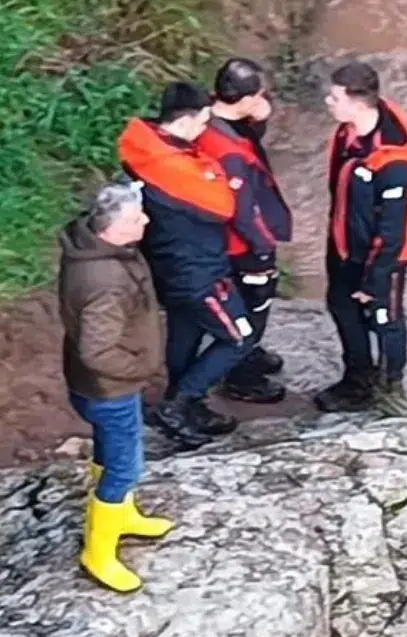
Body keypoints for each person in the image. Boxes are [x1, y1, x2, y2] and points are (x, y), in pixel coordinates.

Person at [118, 82, 254, 448]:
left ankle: (186, 403)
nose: (206, 128)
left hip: (170, 264)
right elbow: (224, 205)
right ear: (190, 119)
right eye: (204, 120)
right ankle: (179, 404)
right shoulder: (174, 170)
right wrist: (215, 172)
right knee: (240, 336)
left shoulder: (144, 149)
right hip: (197, 270)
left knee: (186, 333)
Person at [59, 180, 174, 593]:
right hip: (110, 389)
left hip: (98, 384)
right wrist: (140, 366)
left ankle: (121, 515)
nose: (145, 219)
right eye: (136, 216)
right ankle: (99, 551)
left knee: (111, 452)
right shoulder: (105, 282)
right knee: (125, 466)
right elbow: (97, 350)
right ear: (114, 227)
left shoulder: (95, 249)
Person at [314, 60, 407, 414]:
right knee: (342, 307)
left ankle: (391, 389)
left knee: (385, 318)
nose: (327, 103)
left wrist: (376, 278)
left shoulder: (393, 162)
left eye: (334, 97)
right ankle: (357, 378)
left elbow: (392, 230)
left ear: (358, 102)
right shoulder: (348, 133)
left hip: (383, 256)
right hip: (346, 243)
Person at [195, 57, 292, 405]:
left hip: (215, 238)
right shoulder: (229, 153)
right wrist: (263, 250)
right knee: (256, 303)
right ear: (249, 98)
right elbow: (242, 211)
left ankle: (248, 354)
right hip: (240, 245)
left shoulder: (204, 120)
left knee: (240, 300)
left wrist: (259, 121)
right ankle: (243, 377)